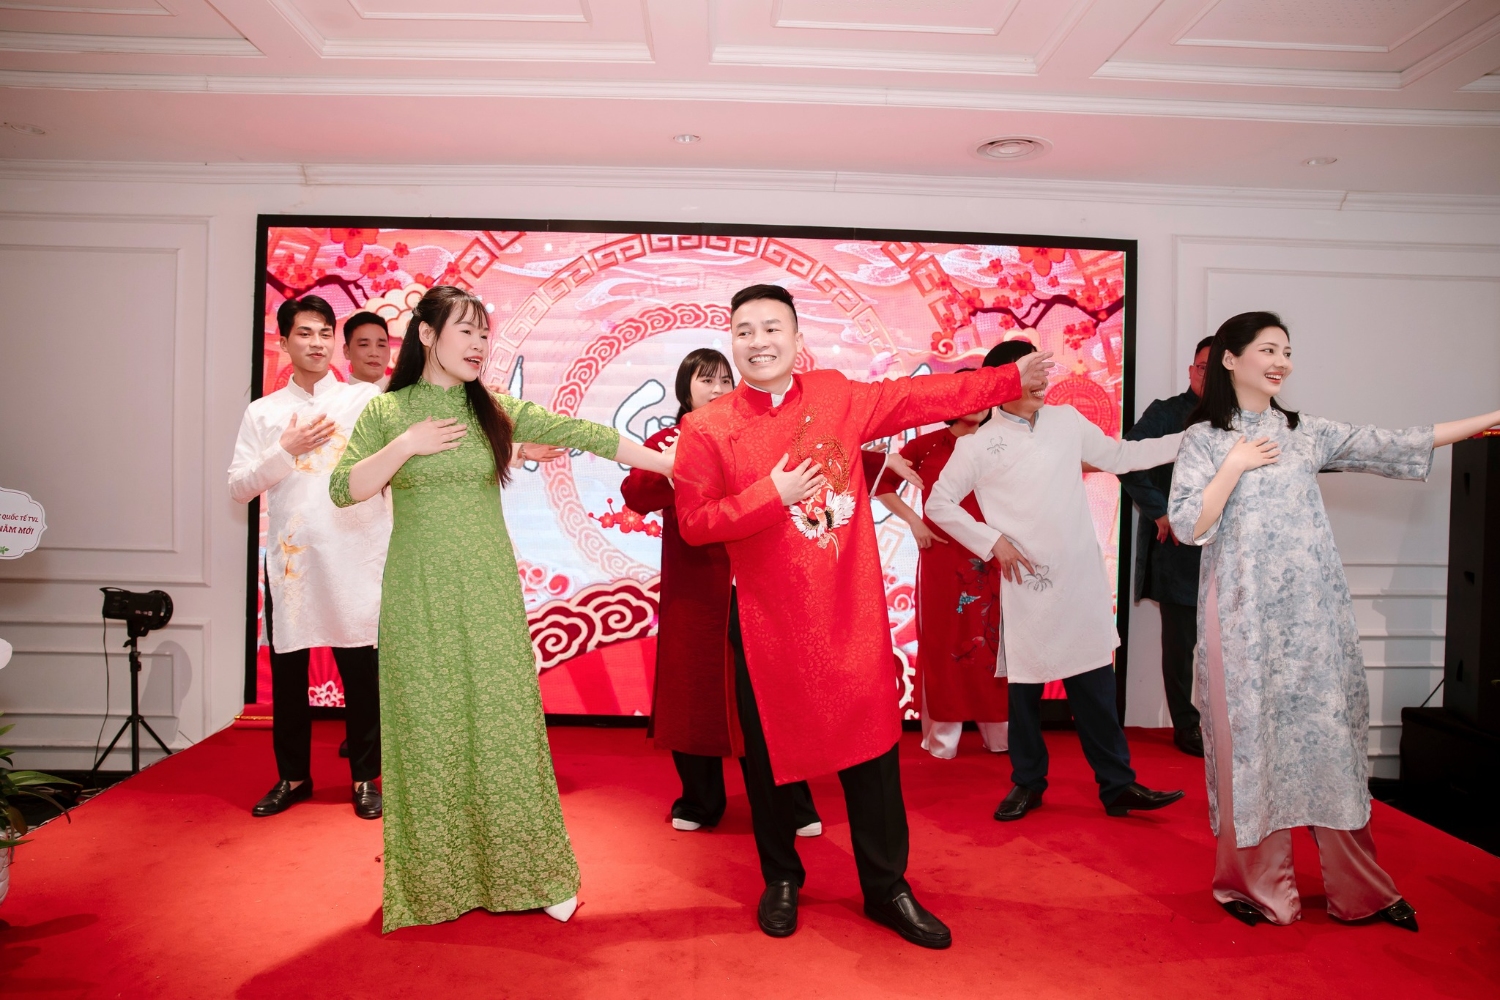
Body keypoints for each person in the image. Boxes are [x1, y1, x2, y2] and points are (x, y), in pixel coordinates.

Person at [671, 283, 1052, 948]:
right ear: (732, 340)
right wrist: (771, 494)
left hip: (848, 614)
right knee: (767, 761)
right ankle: (781, 878)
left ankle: (886, 886)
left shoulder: (835, 396)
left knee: (873, 755)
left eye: (772, 328)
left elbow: (920, 397)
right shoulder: (707, 428)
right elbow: (696, 523)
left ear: (797, 338)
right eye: (745, 330)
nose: (758, 342)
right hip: (765, 624)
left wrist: (1008, 378)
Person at [330, 284, 675, 933]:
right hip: (419, 593)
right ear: (427, 335)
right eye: (466, 330)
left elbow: (583, 432)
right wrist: (406, 444)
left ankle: (532, 874)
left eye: (485, 333)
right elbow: (344, 489)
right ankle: (436, 882)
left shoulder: (492, 407)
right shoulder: (388, 411)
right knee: (428, 732)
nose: (480, 344)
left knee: (504, 728)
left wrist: (669, 463)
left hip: (488, 588)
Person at [1166, 310, 1500, 931]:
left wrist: (1489, 418)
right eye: (1268, 349)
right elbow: (1188, 526)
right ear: (1230, 360)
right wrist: (1234, 465)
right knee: (1251, 748)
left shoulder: (1307, 432)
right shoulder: (1203, 441)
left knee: (1328, 744)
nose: (1281, 362)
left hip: (1313, 618)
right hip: (1240, 620)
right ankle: (1252, 887)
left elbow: (1394, 442)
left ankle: (1362, 889)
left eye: (1287, 351)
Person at [926, 339, 1186, 825]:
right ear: (1001, 381)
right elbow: (938, 504)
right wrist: (992, 541)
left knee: (1096, 688)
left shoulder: (1066, 421)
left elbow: (1121, 456)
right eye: (1032, 373)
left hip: (1080, 579)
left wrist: (1187, 440)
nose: (1043, 382)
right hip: (1027, 585)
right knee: (1024, 694)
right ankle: (1028, 782)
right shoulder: (977, 444)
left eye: (1044, 372)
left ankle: (1118, 785)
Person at [621, 348, 823, 837]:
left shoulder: (756, 431)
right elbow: (636, 494)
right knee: (693, 696)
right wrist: (670, 464)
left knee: (770, 697)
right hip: (695, 589)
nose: (716, 389)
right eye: (705, 380)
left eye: (723, 380)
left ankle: (792, 805)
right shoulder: (669, 440)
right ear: (684, 389)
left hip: (760, 584)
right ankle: (700, 800)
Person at [228, 294, 386, 820]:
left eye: (324, 333)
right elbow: (239, 488)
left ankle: (365, 777)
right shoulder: (264, 412)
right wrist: (286, 449)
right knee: (289, 673)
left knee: (361, 673)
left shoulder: (365, 400)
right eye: (304, 333)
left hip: (355, 555)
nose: (316, 343)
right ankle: (293, 777)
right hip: (293, 560)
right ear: (284, 342)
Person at [872, 378, 1009, 759]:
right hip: (942, 556)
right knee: (944, 641)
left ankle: (1000, 732)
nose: (977, 404)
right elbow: (881, 483)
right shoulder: (928, 444)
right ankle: (942, 737)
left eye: (984, 396)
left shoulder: (1002, 441)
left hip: (994, 555)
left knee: (993, 641)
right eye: (968, 395)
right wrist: (915, 523)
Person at [1120, 336, 1214, 757]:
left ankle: (1225, 724)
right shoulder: (1166, 412)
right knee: (1181, 645)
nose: (1208, 376)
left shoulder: (1244, 418)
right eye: (1202, 368)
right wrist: (1160, 512)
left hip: (1229, 549)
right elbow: (1126, 461)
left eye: (1218, 369)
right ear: (1191, 371)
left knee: (1228, 645)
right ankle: (1186, 725)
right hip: (1178, 551)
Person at [343, 310, 392, 388]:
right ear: (347, 351)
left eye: (381, 345)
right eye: (364, 345)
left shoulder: (405, 394)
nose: (374, 353)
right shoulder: (335, 395)